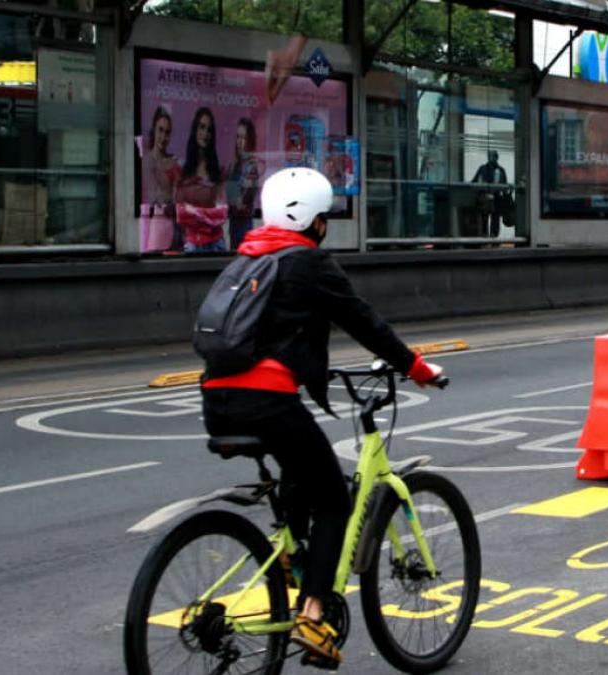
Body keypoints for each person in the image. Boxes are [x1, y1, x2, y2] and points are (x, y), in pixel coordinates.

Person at [200, 167, 445, 667]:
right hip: (268, 401)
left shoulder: (247, 260)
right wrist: (416, 368)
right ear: (313, 220)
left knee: (299, 475)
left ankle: (293, 558)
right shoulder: (308, 263)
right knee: (333, 496)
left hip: (216, 399)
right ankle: (313, 612)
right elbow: (362, 320)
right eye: (325, 218)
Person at [176, 107, 228, 253]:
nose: (205, 133)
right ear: (195, 130)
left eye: (209, 129)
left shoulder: (218, 171)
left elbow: (222, 213)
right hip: (191, 244)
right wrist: (207, 215)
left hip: (216, 243)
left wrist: (193, 212)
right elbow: (181, 214)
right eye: (202, 127)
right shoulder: (184, 171)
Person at [140, 106, 180, 252]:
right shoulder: (147, 161)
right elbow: (154, 197)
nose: (163, 137)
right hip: (157, 225)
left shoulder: (173, 161)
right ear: (154, 131)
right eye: (160, 130)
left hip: (175, 227)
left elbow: (180, 193)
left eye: (167, 132)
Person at [225, 117, 261, 249]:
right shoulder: (233, 166)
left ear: (249, 141)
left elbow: (242, 201)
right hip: (233, 223)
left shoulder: (252, 167)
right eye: (238, 137)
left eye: (244, 138)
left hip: (244, 224)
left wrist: (233, 198)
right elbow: (229, 198)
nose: (239, 142)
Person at [471, 150, 509, 238]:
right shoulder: (483, 168)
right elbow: (475, 181)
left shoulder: (500, 170)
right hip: (485, 198)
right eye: (490, 156)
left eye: (493, 156)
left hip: (496, 198)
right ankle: (487, 237)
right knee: (485, 219)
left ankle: (492, 237)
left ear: (496, 158)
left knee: (494, 219)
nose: (491, 158)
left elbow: (505, 186)